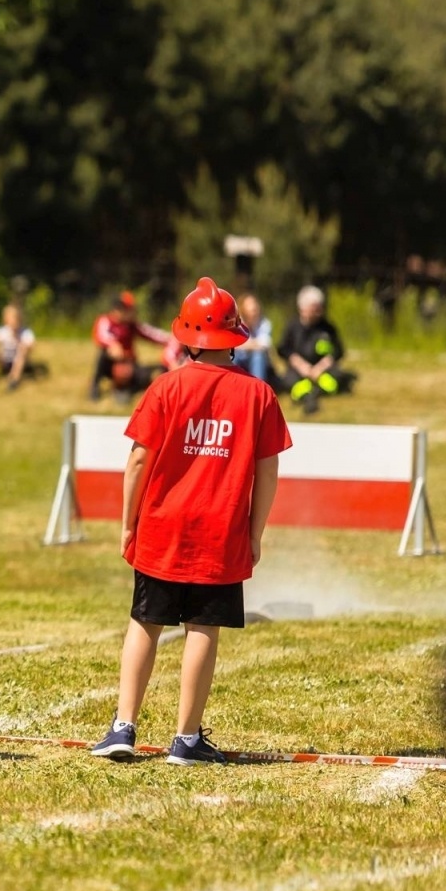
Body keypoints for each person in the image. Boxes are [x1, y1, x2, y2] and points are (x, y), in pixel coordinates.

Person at [89, 277, 290, 766]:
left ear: (187, 335)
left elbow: (138, 461)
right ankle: (186, 739)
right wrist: (255, 532)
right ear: (234, 334)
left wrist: (127, 523)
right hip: (221, 531)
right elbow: (269, 471)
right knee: (203, 627)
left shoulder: (166, 387)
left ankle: (123, 727)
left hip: (162, 525)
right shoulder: (259, 396)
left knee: (146, 622)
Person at [278, 285, 352, 414]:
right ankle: (307, 397)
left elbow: (339, 351)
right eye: (314, 308)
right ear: (302, 308)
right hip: (299, 371)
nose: (318, 312)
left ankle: (315, 393)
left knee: (337, 378)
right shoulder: (293, 326)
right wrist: (300, 364)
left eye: (319, 308)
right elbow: (283, 349)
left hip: (322, 371)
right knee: (288, 380)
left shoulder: (328, 327)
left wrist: (321, 366)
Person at [89, 291, 169, 401]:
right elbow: (101, 335)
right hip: (112, 363)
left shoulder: (132, 325)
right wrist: (112, 344)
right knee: (103, 354)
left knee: (157, 370)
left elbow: (152, 334)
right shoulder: (105, 320)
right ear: (118, 309)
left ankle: (126, 388)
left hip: (130, 364)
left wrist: (171, 339)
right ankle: (95, 386)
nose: (133, 312)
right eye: (129, 309)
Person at [0, 304, 39, 391]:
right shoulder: (3, 331)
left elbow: (32, 346)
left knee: (22, 350)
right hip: (5, 362)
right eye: (10, 318)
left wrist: (22, 344)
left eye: (15, 318)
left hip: (20, 362)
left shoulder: (25, 333)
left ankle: (14, 380)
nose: (13, 321)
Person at [235, 293, 274, 384]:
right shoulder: (237, 323)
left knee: (258, 355)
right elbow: (234, 345)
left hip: (256, 360)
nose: (253, 309)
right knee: (233, 357)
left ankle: (258, 387)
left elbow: (266, 344)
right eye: (249, 306)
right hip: (240, 358)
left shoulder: (264, 323)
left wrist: (245, 344)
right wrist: (255, 344)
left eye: (254, 306)